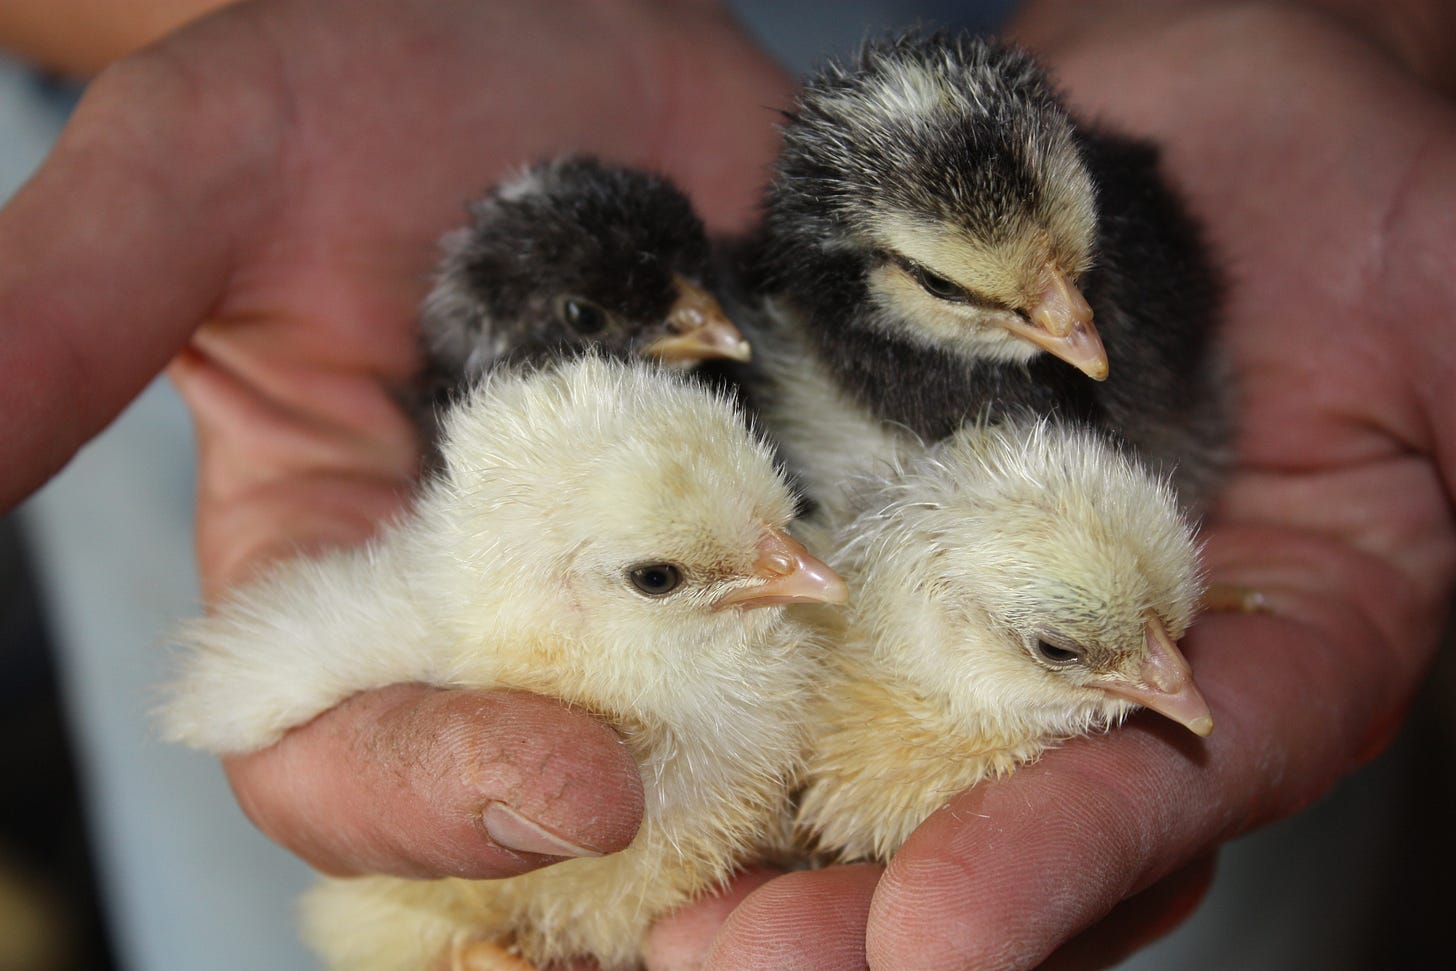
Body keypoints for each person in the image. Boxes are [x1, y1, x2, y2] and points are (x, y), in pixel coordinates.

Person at [1, 0, 1453, 967]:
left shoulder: (1058, 341)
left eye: (1068, 283)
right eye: (1016, 301)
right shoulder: (755, 414)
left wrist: (1363, 20)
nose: (1075, 332)